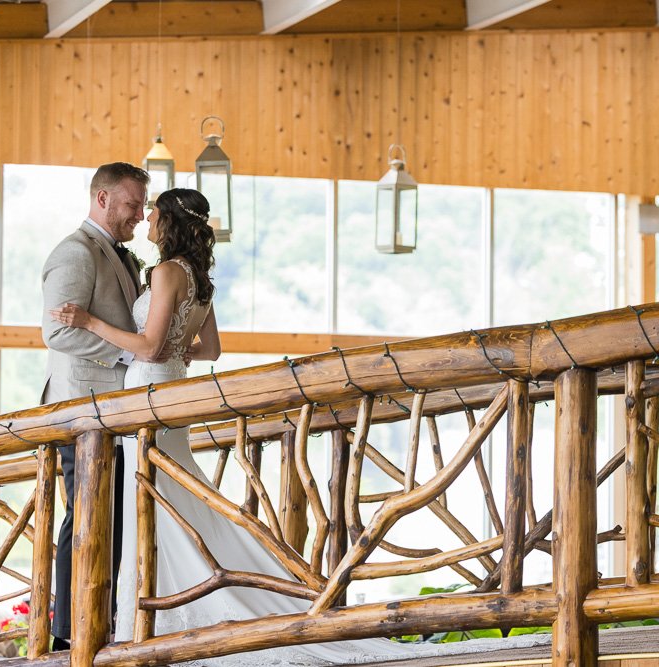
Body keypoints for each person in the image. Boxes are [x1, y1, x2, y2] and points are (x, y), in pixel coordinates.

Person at [49, 188, 426, 665]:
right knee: (168, 498)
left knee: (152, 498)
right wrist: (178, 350)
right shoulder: (197, 277)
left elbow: (147, 348)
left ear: (169, 223)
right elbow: (211, 350)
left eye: (154, 214)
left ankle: (152, 613)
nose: (146, 221)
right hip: (170, 394)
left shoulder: (166, 271)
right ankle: (159, 606)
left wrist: (88, 321)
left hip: (146, 397)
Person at [40, 162, 150, 649]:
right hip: (80, 406)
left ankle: (102, 622)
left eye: (144, 206)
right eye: (132, 204)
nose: (140, 216)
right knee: (84, 516)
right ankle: (69, 635)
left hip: (114, 409)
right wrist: (127, 353)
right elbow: (58, 331)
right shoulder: (75, 252)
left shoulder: (123, 256)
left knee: (113, 516)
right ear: (102, 199)